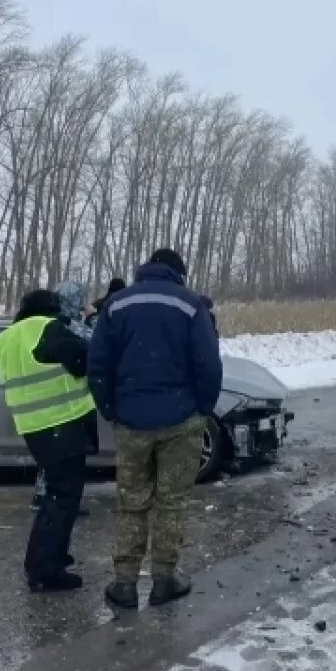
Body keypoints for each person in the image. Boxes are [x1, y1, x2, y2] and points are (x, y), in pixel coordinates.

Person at [88, 248, 223, 610]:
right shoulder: (191, 305)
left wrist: (110, 408)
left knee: (131, 502)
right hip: (180, 421)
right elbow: (208, 364)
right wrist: (202, 409)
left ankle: (125, 584)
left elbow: (97, 363)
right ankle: (165, 579)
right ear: (178, 272)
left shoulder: (116, 305)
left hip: (131, 422)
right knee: (171, 503)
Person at [0, 289, 97, 593]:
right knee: (63, 497)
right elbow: (82, 357)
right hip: (60, 422)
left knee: (55, 494)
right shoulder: (45, 328)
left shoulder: (9, 338)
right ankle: (45, 570)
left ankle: (45, 560)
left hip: (34, 427)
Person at [32, 281, 94, 514]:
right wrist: (94, 316)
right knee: (67, 454)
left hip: (47, 394)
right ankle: (58, 500)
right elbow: (95, 340)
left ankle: (44, 495)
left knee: (52, 452)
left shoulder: (43, 322)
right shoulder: (68, 325)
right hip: (66, 396)